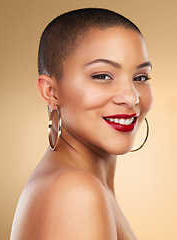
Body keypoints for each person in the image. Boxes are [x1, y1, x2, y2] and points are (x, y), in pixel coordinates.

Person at [10, 8, 153, 240]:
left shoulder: (80, 183)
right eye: (102, 76)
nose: (131, 97)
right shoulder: (74, 191)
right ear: (50, 91)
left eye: (141, 77)